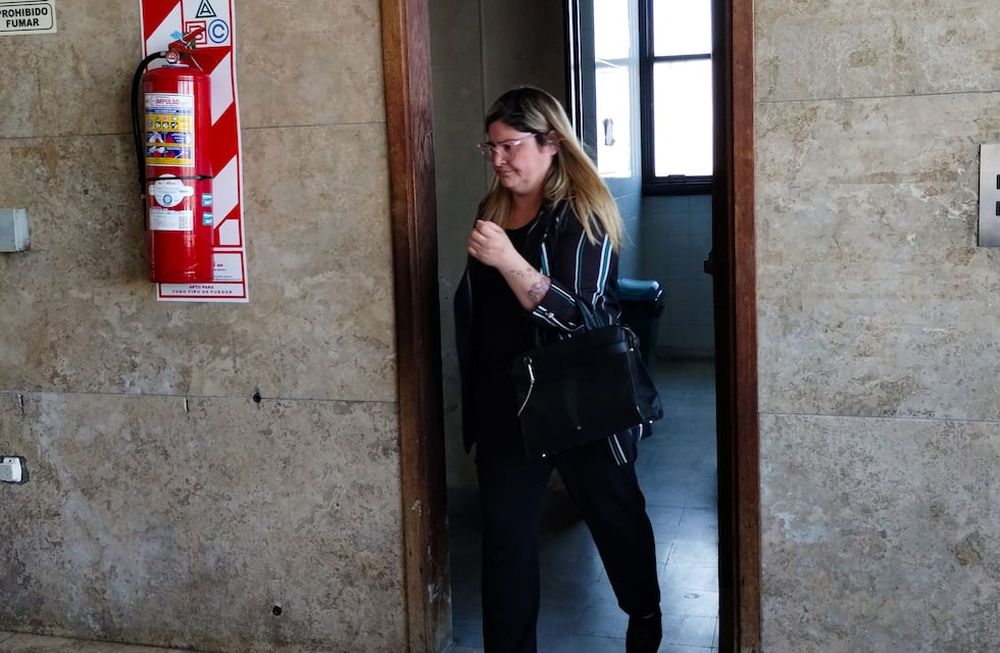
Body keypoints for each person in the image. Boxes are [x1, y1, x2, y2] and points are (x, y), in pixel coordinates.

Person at [454, 86, 661, 653]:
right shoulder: (493, 209)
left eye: (509, 146)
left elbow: (588, 319)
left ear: (550, 143)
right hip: (509, 406)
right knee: (507, 545)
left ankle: (645, 615)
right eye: (490, 148)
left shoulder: (583, 213)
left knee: (616, 520)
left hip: (581, 402)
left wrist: (507, 259)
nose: (498, 160)